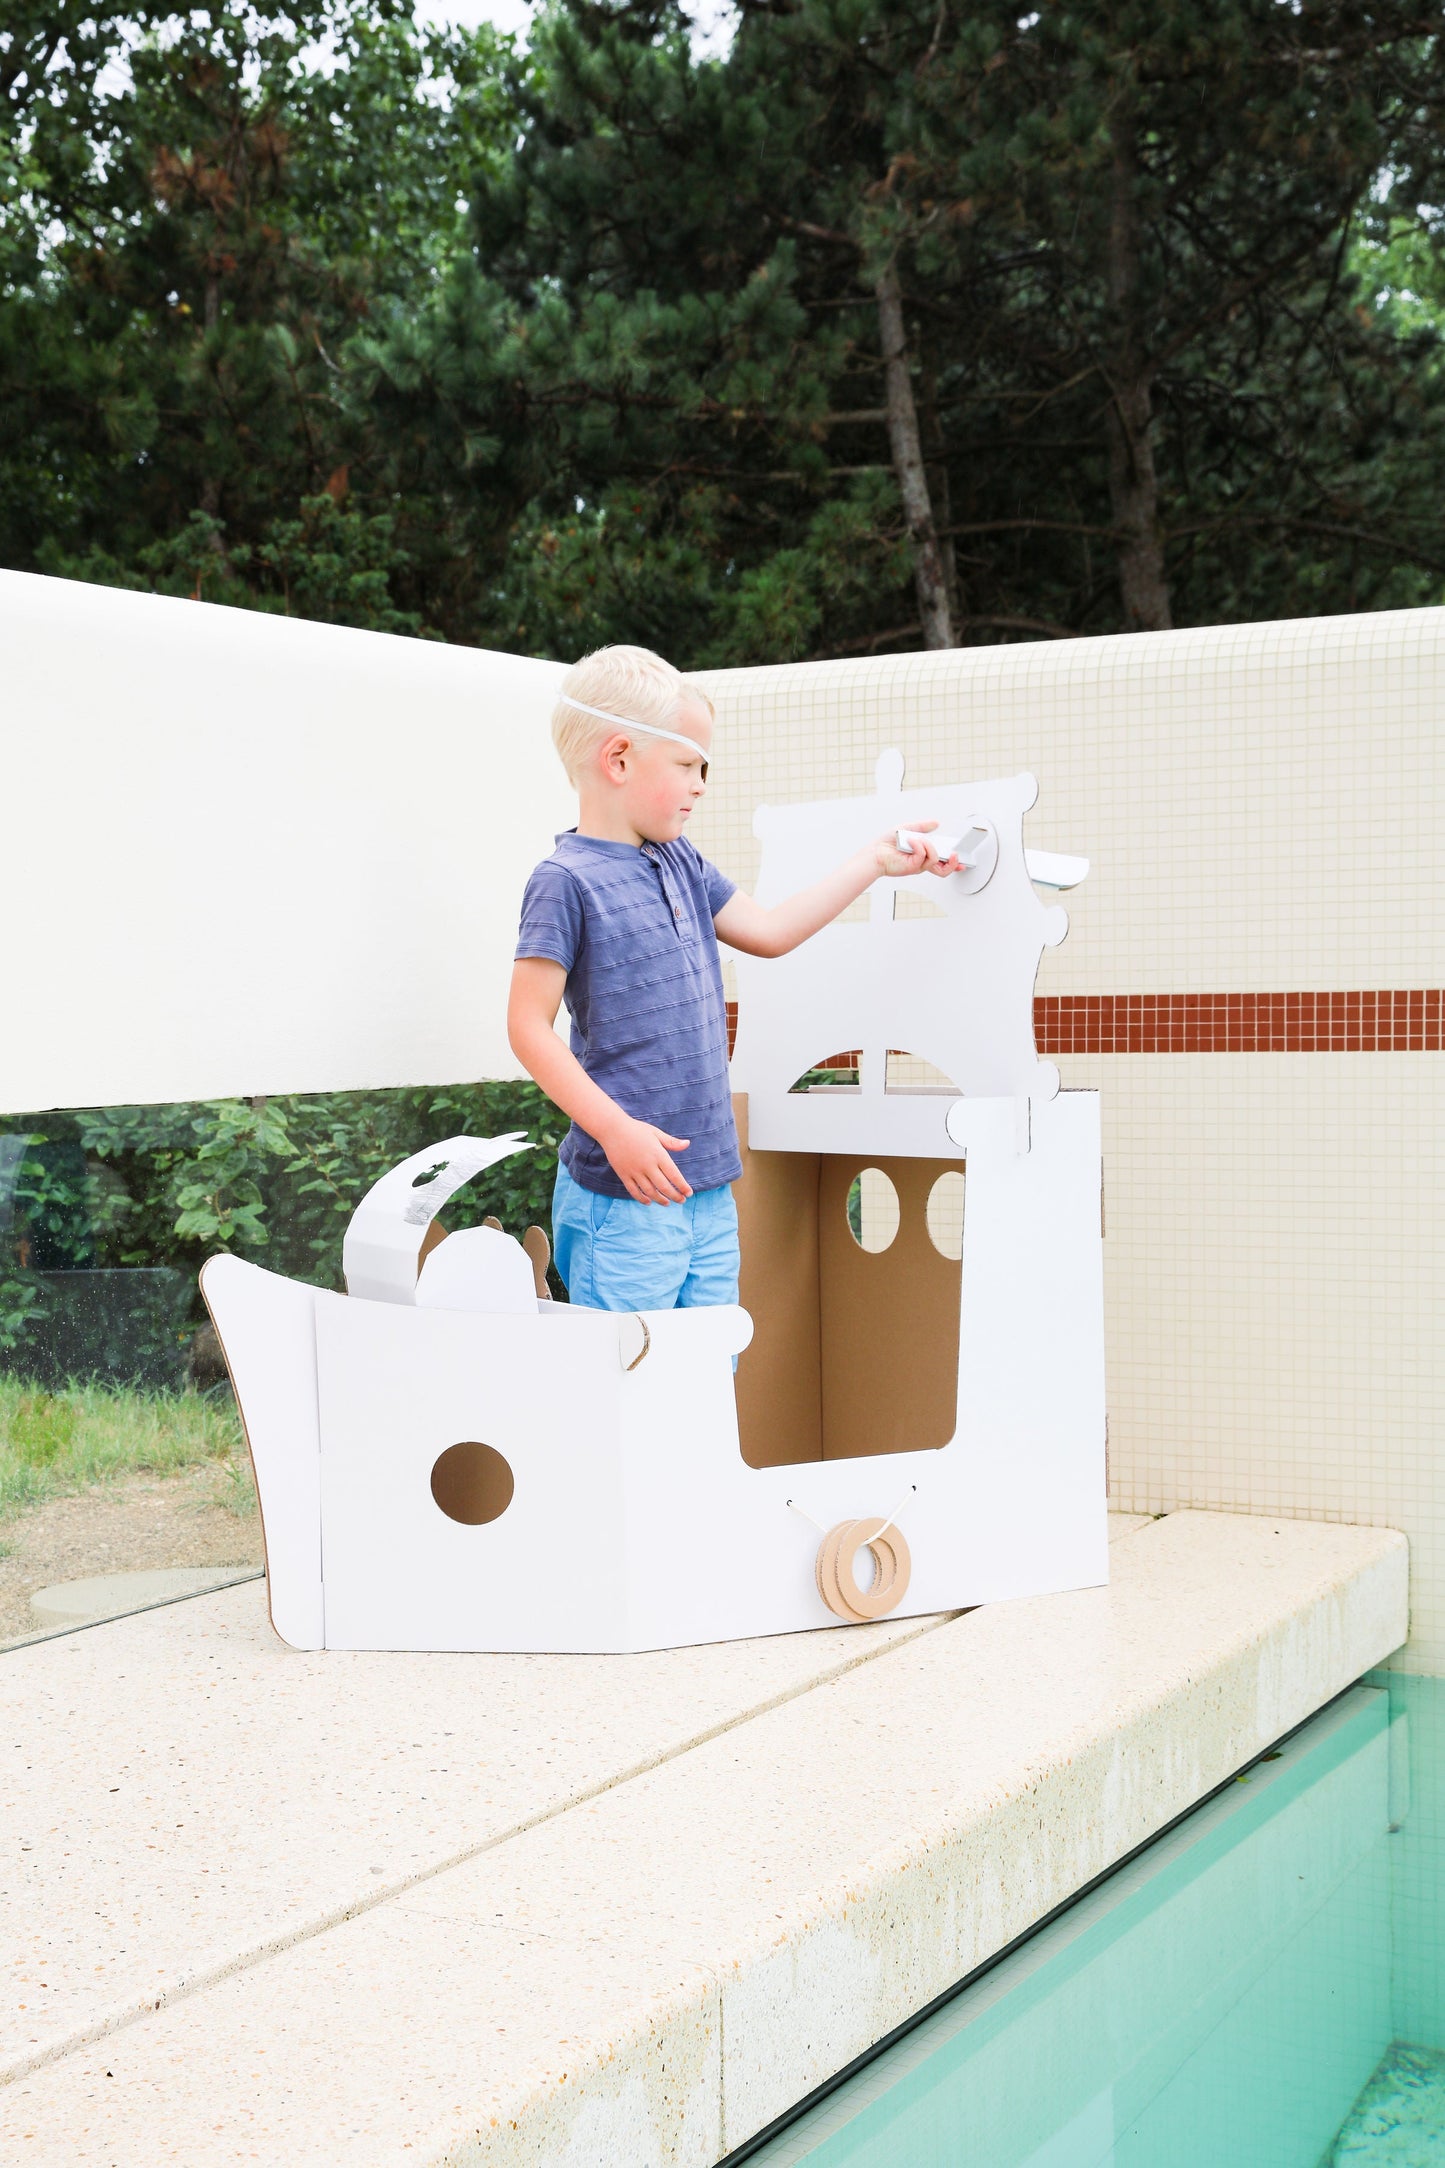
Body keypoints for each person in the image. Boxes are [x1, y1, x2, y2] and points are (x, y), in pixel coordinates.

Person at [507, 643, 959, 1314]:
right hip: (623, 1199)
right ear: (619, 759)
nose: (700, 784)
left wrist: (874, 862)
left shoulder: (681, 862)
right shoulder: (564, 881)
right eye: (688, 764)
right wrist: (615, 1130)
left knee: (707, 1368)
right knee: (627, 1372)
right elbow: (527, 1027)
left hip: (708, 1190)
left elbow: (770, 931)